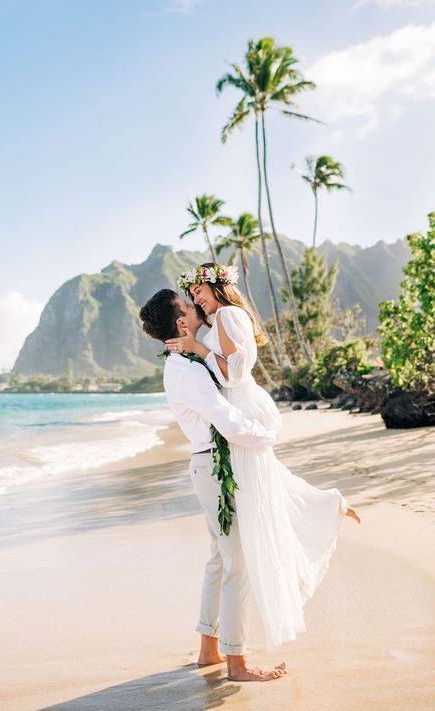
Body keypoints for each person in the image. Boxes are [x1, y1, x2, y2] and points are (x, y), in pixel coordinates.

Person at [164, 262, 361, 652]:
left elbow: (234, 373)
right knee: (261, 497)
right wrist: (191, 343)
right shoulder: (214, 321)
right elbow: (199, 352)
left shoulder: (229, 315)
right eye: (191, 297)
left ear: (219, 287)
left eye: (198, 291)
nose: (195, 299)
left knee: (256, 507)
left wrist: (196, 348)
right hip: (233, 425)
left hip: (241, 413)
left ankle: (329, 505)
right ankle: (330, 503)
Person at [139, 288, 288, 682]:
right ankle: (237, 663)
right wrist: (266, 433)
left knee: (220, 559)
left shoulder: (186, 360)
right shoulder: (185, 371)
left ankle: (209, 651)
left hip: (208, 467)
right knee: (235, 563)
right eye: (189, 305)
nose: (197, 304)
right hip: (214, 468)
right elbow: (225, 419)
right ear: (181, 323)